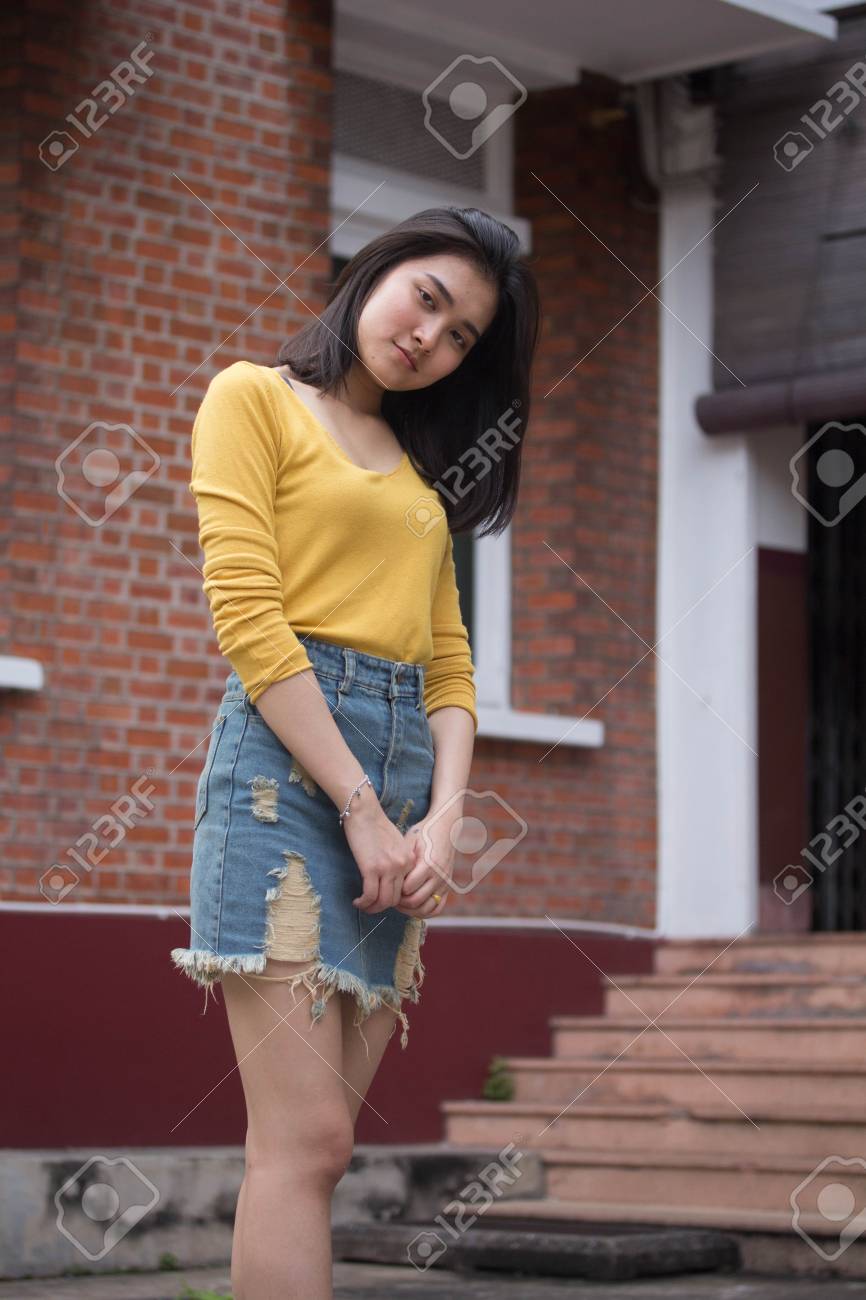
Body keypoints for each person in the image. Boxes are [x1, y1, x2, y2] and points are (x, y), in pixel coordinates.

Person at [170, 204, 540, 1300]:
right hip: (285, 780)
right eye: (427, 298)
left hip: (402, 787)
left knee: (310, 1153)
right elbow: (249, 619)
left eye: (463, 334)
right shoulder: (252, 397)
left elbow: (449, 666)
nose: (431, 337)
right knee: (308, 1140)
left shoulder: (421, 474)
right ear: (376, 270)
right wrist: (359, 806)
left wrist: (443, 819)